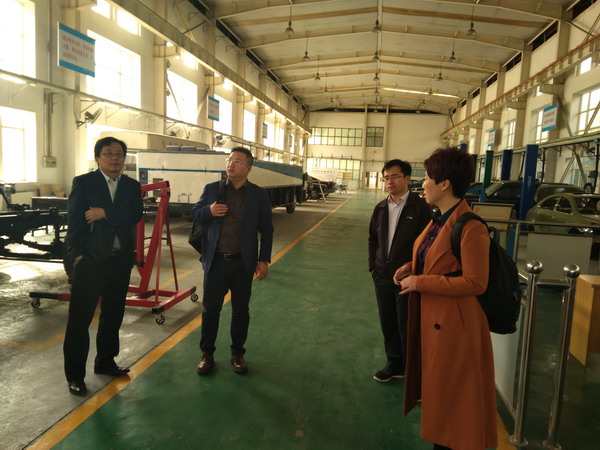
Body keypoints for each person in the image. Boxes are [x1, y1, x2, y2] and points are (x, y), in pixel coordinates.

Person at [393, 147, 497, 450]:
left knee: (454, 402)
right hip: (436, 320)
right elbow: (441, 260)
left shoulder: (470, 226)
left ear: (445, 184)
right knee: (440, 395)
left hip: (456, 327)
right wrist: (413, 266)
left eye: (427, 177)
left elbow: (476, 282)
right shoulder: (439, 219)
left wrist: (420, 281)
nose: (422, 184)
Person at [63, 137, 143, 396]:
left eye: (119, 154)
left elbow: (135, 214)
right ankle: (75, 375)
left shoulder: (131, 186)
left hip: (119, 262)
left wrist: (104, 213)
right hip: (90, 261)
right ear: (98, 158)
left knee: (113, 314)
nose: (114, 158)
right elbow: (75, 222)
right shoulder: (84, 183)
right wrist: (76, 258)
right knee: (80, 320)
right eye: (108, 153)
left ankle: (105, 362)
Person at [192, 147, 273, 375]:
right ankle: (207, 354)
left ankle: (238, 354)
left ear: (248, 168)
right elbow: (195, 213)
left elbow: (266, 229)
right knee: (210, 311)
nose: (231, 164)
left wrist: (263, 259)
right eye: (229, 160)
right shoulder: (212, 189)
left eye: (237, 161)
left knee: (240, 311)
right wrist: (209, 210)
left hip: (242, 263)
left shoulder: (258, 194)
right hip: (216, 262)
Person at [368, 159, 431, 382]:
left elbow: (427, 245)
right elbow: (373, 239)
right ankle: (394, 364)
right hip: (382, 277)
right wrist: (373, 268)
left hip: (408, 279)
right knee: (388, 323)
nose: (389, 181)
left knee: (409, 325)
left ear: (407, 178)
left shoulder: (421, 208)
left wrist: (416, 271)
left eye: (394, 176)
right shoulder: (380, 208)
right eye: (386, 177)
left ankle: (414, 371)